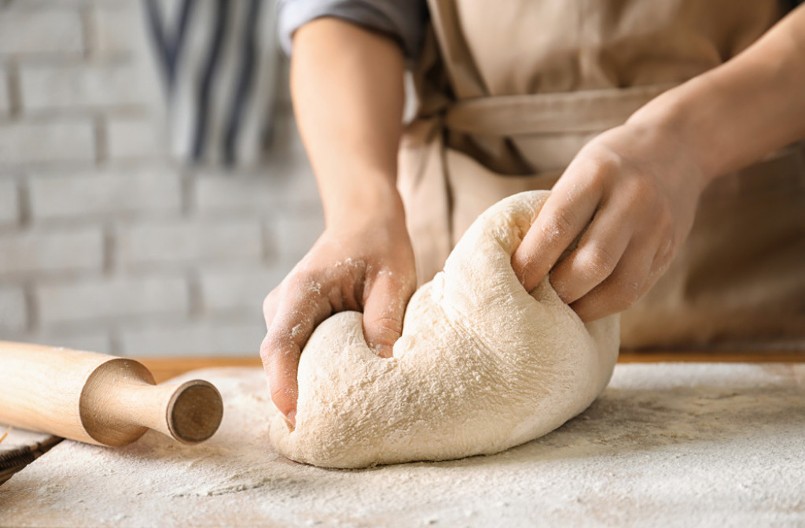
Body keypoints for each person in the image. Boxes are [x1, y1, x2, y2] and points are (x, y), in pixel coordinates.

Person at [262, 0, 805, 426]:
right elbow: (346, 13)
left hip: (747, 241)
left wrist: (689, 140)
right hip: (462, 249)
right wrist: (362, 209)